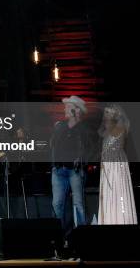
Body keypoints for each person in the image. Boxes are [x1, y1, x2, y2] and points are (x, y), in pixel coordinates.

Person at [50, 96, 93, 237]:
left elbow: (90, 149)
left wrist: (82, 160)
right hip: (59, 170)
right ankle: (59, 238)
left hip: (75, 171)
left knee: (78, 204)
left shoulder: (84, 129)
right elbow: (53, 145)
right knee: (57, 204)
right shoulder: (60, 126)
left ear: (77, 110)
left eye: (68, 107)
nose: (65, 109)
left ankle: (82, 237)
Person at [97, 104, 137, 224]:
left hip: (116, 164)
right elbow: (103, 140)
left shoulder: (120, 127)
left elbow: (114, 144)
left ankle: (120, 219)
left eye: (108, 112)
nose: (106, 115)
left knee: (118, 191)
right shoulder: (107, 129)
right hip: (108, 165)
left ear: (115, 114)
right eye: (105, 112)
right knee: (109, 192)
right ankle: (110, 219)